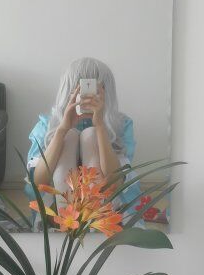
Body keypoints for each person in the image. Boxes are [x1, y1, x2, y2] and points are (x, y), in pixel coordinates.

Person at [26, 57, 140, 211]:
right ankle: (66, 216)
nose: (87, 95)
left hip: (108, 206)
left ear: (106, 92)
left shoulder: (120, 125)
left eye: (94, 89)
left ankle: (91, 217)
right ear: (68, 90)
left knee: (91, 135)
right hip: (54, 207)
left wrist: (100, 127)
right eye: (81, 88)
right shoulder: (47, 125)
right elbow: (38, 181)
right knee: (69, 136)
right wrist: (62, 129)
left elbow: (115, 182)